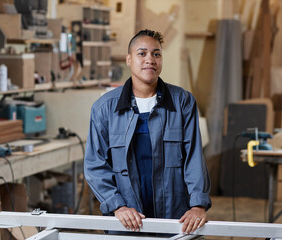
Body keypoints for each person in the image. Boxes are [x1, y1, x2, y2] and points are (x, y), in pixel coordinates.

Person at [84, 29, 211, 235]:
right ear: (128, 59)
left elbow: (194, 158)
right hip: (126, 217)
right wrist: (117, 206)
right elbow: (95, 164)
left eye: (156, 54)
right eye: (142, 53)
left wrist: (198, 206)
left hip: (175, 215)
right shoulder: (105, 107)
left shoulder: (182, 102)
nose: (149, 59)